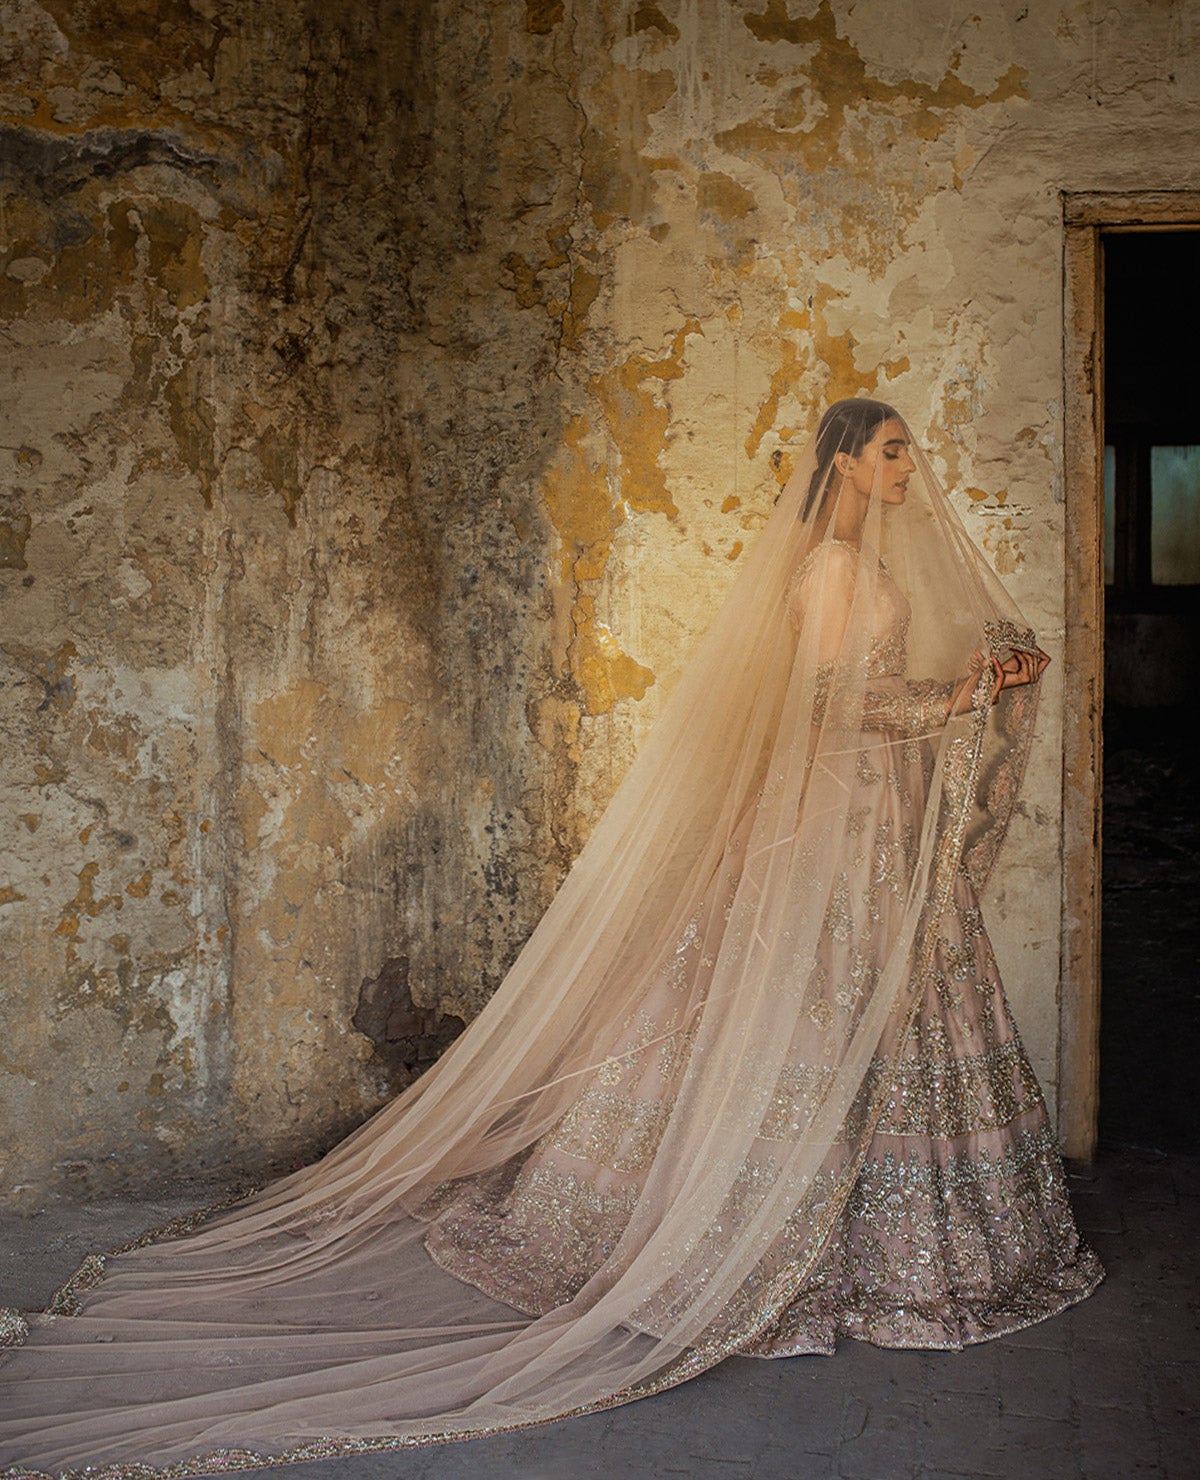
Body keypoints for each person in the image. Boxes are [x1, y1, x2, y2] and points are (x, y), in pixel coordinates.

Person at [0, 399, 1101, 1477]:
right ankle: (759, 1234)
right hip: (828, 822)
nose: (911, 467)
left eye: (908, 450)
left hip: (863, 820)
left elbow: (862, 694)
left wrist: (964, 692)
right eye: (894, 451)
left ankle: (884, 1240)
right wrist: (955, 700)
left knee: (878, 1008)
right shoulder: (826, 569)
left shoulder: (851, 566)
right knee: (804, 1011)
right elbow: (823, 707)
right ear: (848, 462)